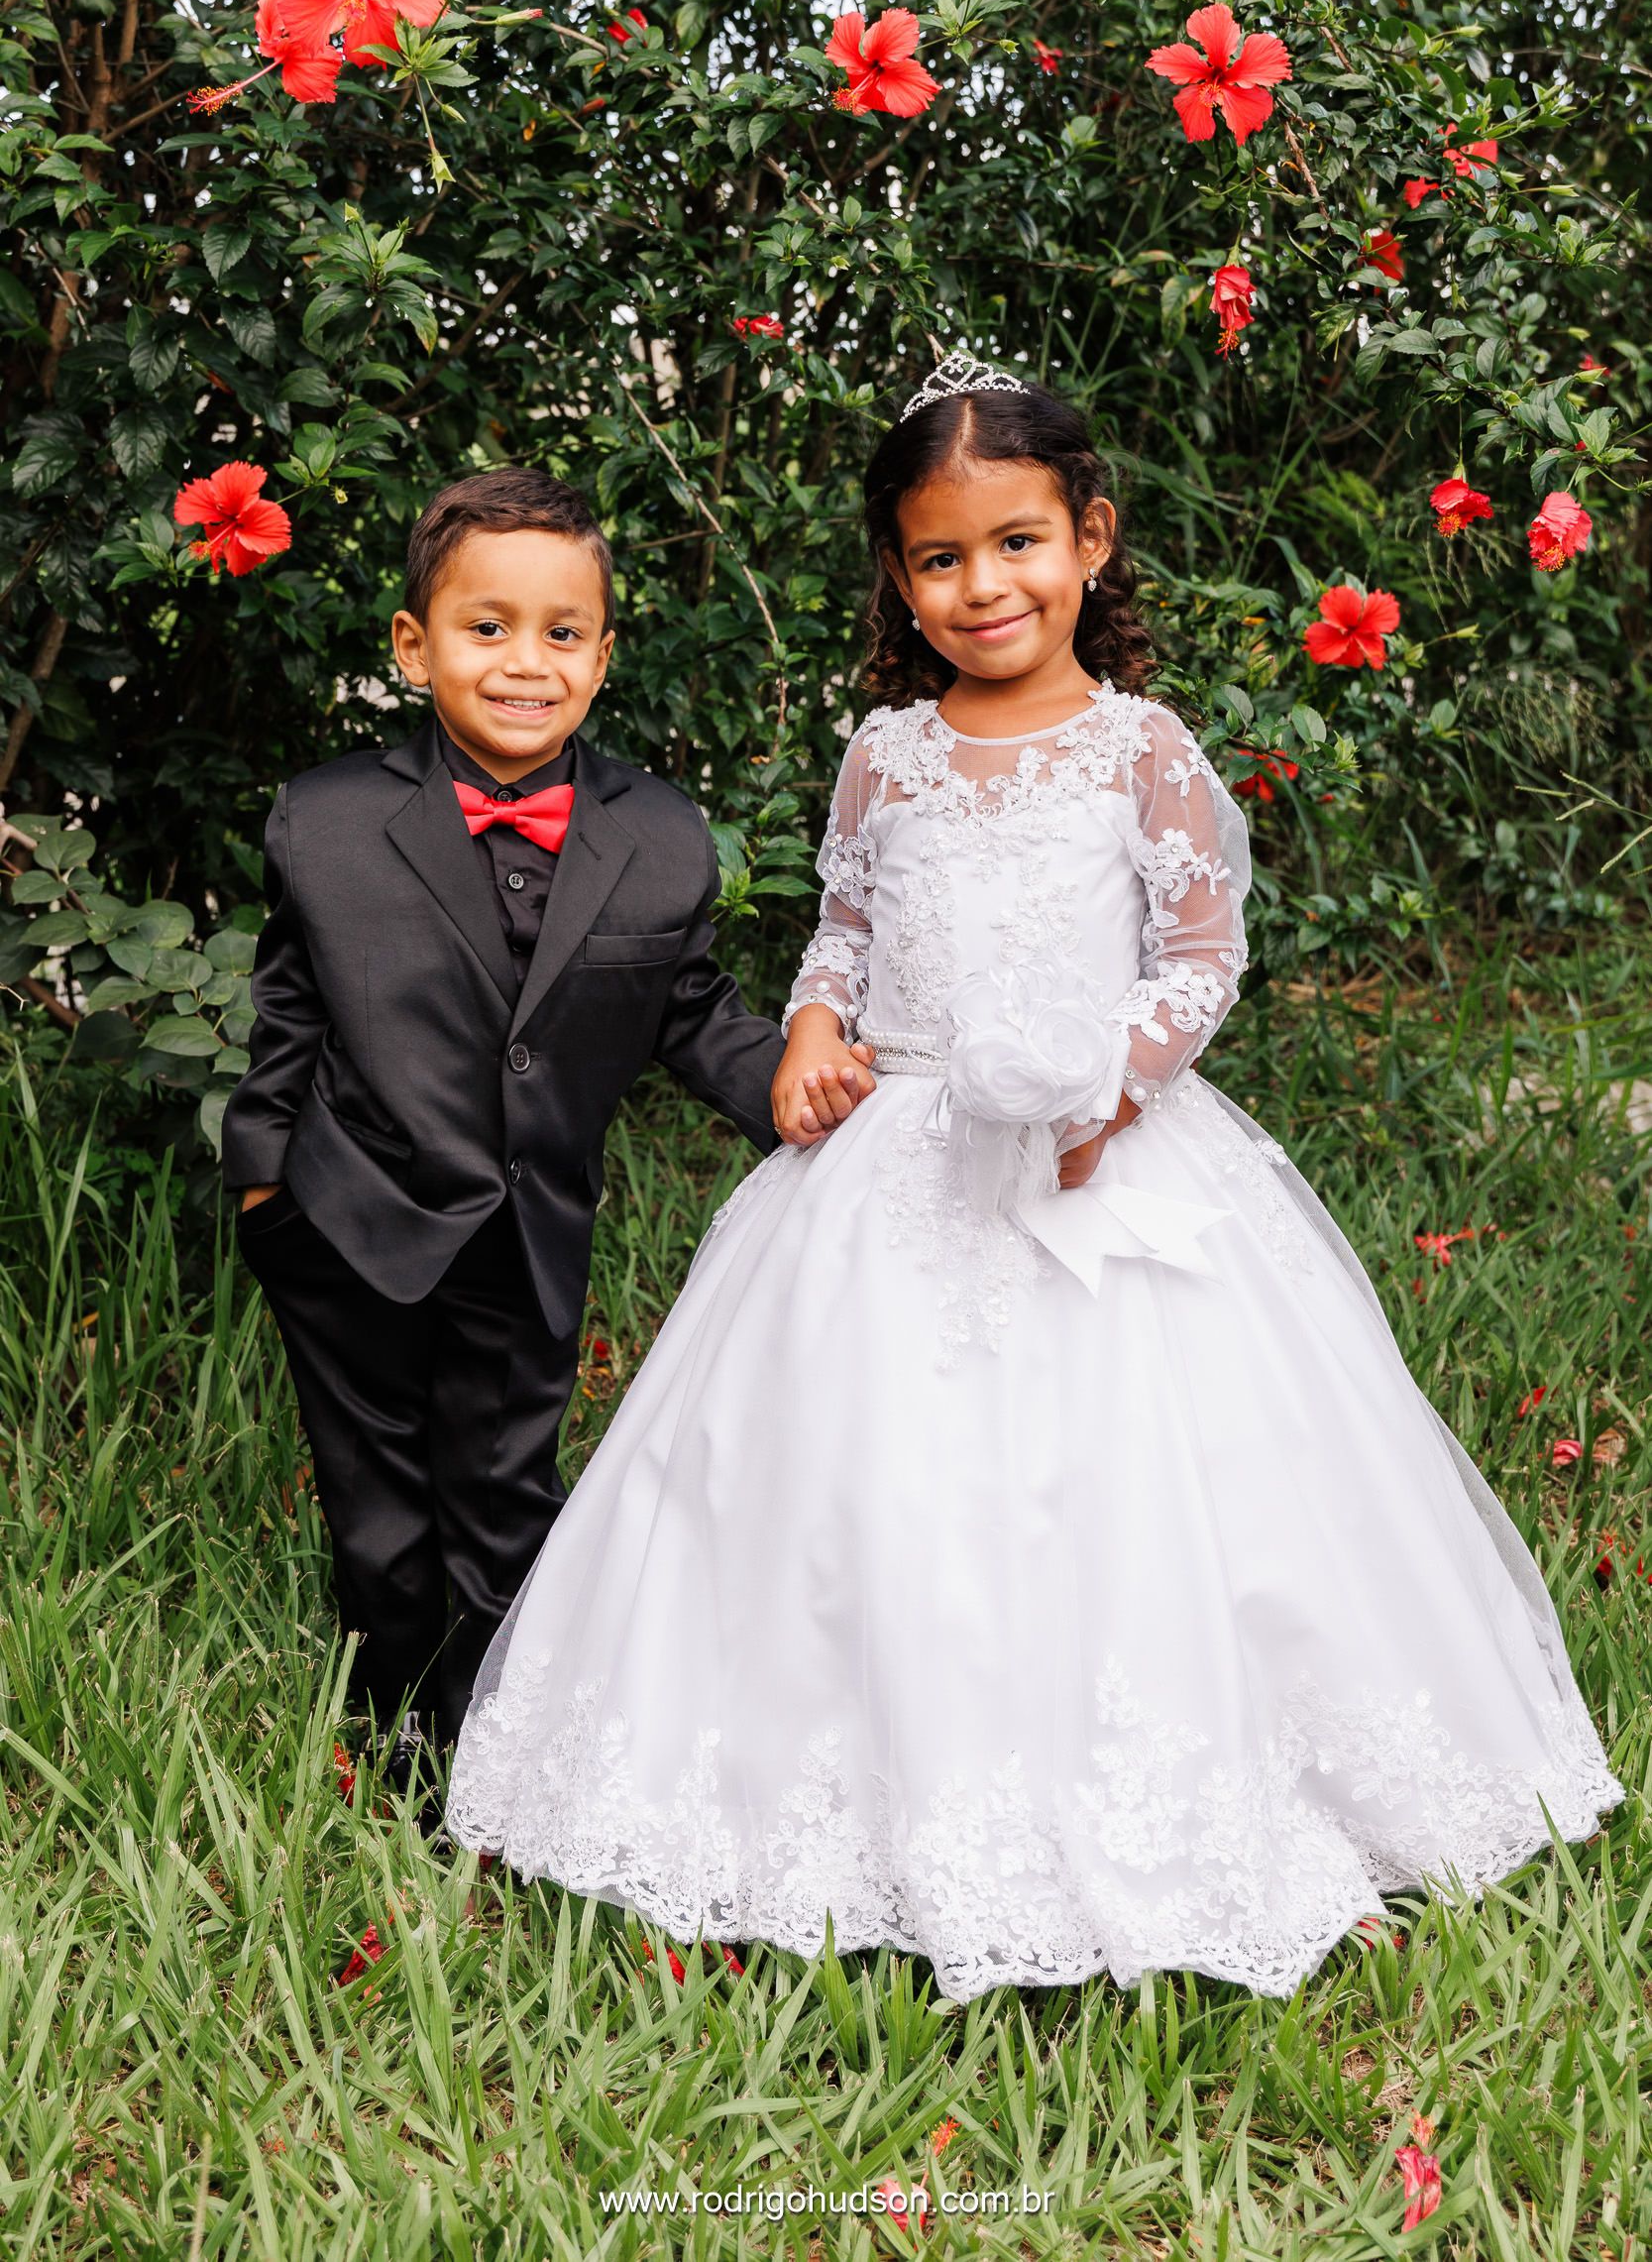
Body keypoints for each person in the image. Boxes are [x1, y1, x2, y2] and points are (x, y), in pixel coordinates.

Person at [444, 364, 1623, 1999]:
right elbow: (843, 932)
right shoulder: (887, 755)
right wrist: (808, 1030)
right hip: (895, 1165)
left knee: (1138, 1485)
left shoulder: (1139, 750)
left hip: (1103, 1162)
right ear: (899, 578)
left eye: (1017, 545)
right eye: (939, 560)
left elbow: (1204, 958)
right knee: (852, 1483)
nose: (982, 587)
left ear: (1090, 540)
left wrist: (1108, 1083)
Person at [221, 467, 874, 1788]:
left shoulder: (662, 838)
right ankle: (404, 1730)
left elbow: (693, 1015)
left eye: (562, 633)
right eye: (487, 627)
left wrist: (793, 1086)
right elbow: (287, 1013)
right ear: (415, 646)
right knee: (380, 1503)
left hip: (527, 1234)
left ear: (603, 653)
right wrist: (261, 1185)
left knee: (508, 1489)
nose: (527, 662)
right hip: (348, 1220)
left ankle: (516, 1740)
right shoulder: (329, 819)